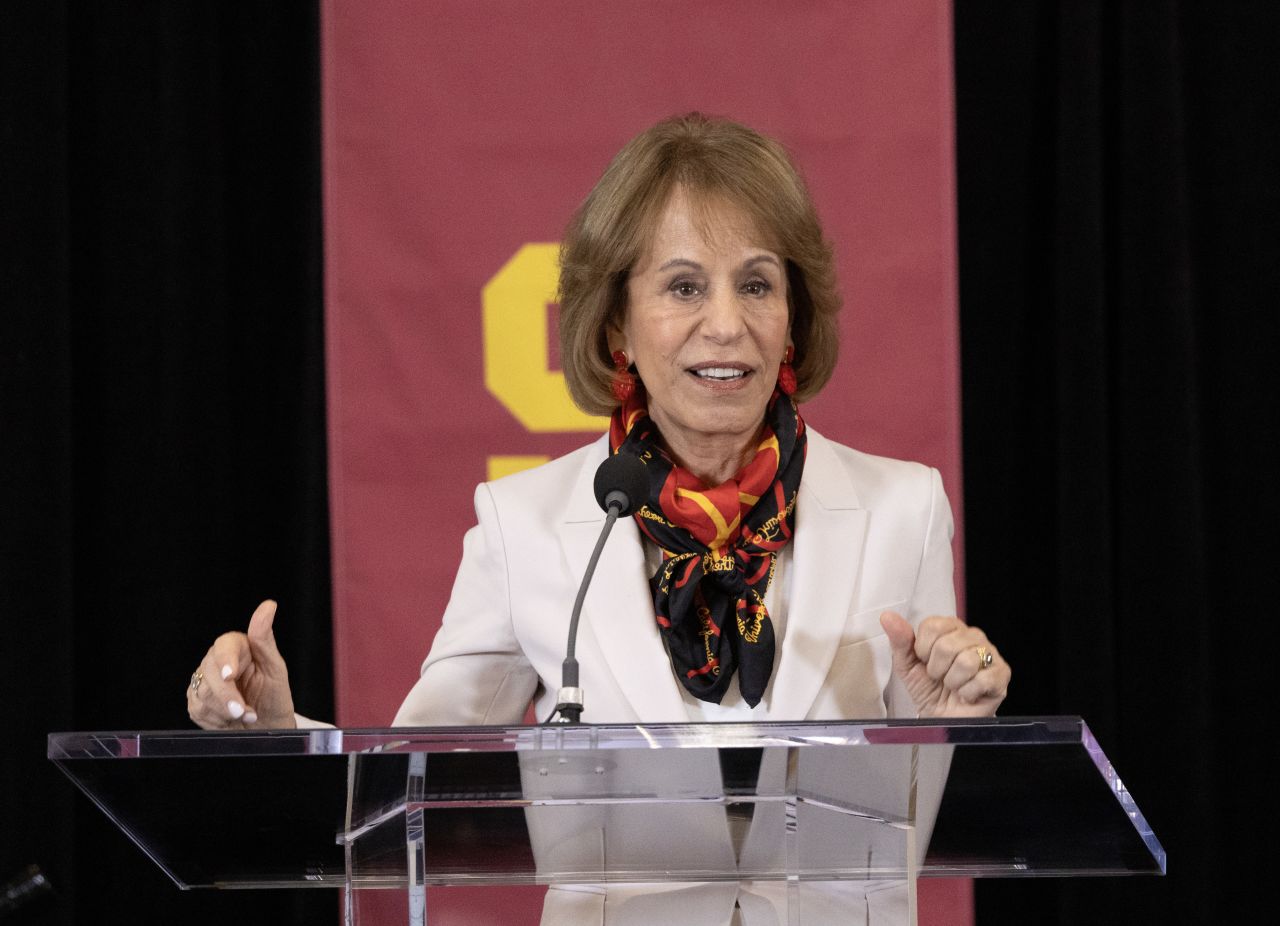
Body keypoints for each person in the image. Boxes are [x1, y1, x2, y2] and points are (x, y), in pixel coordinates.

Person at [186, 113, 1010, 922]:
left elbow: (920, 819)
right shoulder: (528, 524)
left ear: (793, 314)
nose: (726, 324)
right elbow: (417, 774)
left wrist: (951, 722)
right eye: (684, 286)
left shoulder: (903, 507)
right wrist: (278, 728)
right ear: (617, 322)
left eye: (757, 283)